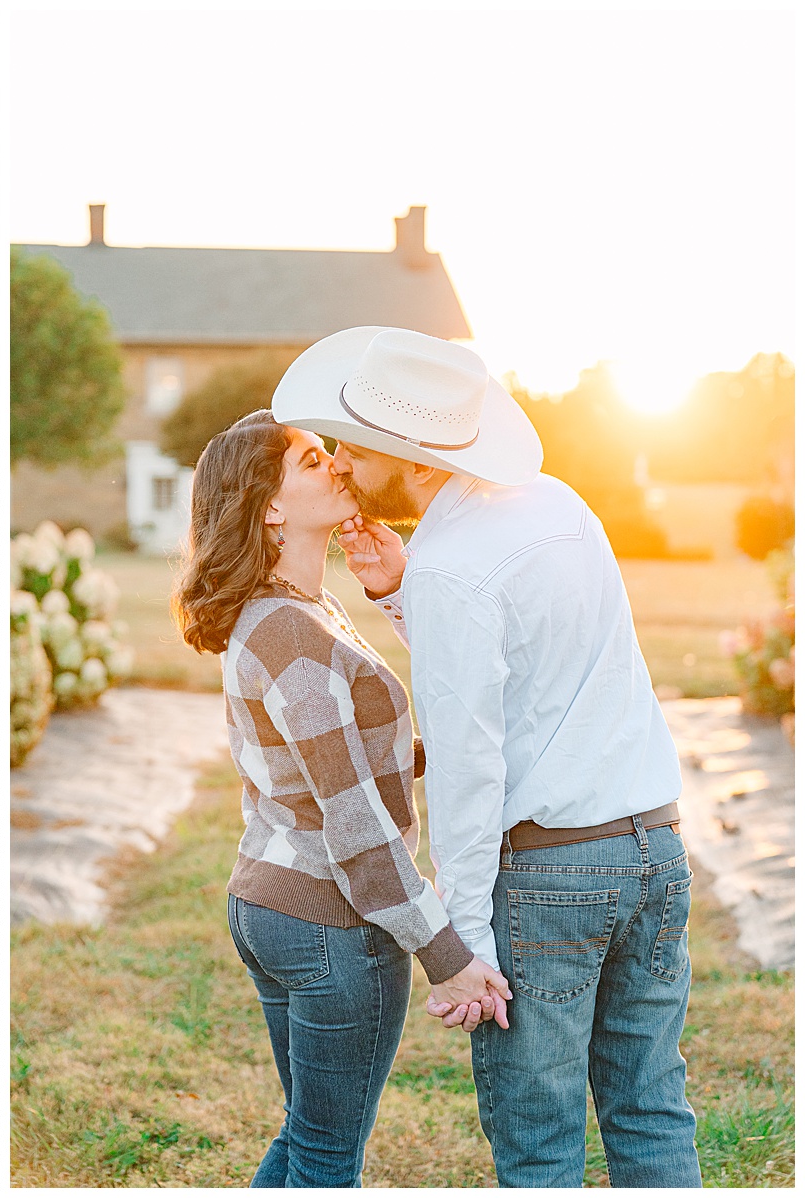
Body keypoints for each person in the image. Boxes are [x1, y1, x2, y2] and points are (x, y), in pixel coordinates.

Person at [273, 326, 702, 1187]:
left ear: (422, 464)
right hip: (655, 849)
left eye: (362, 447)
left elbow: (469, 766)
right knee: (650, 1108)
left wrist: (463, 941)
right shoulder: (557, 505)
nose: (344, 463)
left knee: (539, 1146)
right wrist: (401, 589)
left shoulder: (453, 567)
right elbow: (530, 669)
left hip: (550, 876)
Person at [171, 410, 510, 1188]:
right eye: (314, 460)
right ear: (272, 508)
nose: (339, 466)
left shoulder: (300, 610)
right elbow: (354, 824)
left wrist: (452, 754)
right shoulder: (290, 631)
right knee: (327, 1156)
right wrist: (446, 957)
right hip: (327, 922)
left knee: (307, 1139)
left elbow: (340, 763)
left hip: (273, 905)